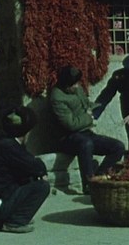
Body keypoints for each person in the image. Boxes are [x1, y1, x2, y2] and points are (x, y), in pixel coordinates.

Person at [50, 65, 125, 194]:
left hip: (86, 132)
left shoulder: (77, 88)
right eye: (73, 85)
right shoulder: (57, 97)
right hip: (68, 137)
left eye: (77, 83)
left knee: (118, 147)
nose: (76, 86)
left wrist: (95, 107)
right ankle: (88, 184)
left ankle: (98, 177)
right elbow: (71, 124)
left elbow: (86, 104)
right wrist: (89, 117)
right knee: (86, 144)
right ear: (65, 85)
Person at [0, 106, 50, 233]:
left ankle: (18, 215)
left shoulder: (4, 143)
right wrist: (42, 172)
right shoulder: (9, 147)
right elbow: (35, 166)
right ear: (26, 132)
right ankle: (14, 221)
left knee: (29, 178)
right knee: (42, 186)